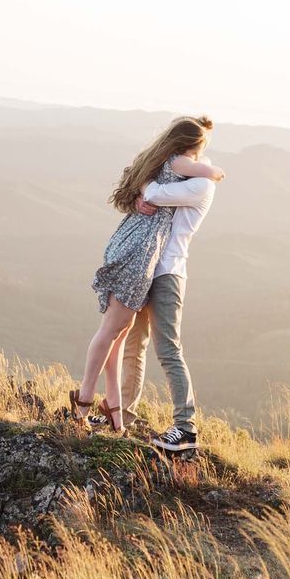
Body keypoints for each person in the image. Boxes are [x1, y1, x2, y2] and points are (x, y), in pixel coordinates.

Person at [71, 116, 225, 434]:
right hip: (145, 263)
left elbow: (157, 190)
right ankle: (116, 410)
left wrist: (147, 186)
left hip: (165, 270)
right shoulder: (177, 167)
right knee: (125, 339)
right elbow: (157, 187)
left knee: (154, 345)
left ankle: (181, 425)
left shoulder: (195, 183)